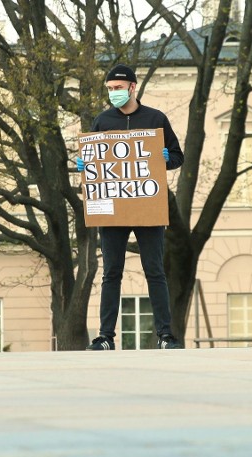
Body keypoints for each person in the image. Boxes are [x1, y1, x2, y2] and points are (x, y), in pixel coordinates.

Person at [77, 63, 185, 350]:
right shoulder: (102, 121)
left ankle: (165, 335)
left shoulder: (155, 118)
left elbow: (177, 157)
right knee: (111, 271)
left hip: (147, 207)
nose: (114, 93)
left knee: (155, 271)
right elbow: (96, 162)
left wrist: (165, 158)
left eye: (118, 88)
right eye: (110, 89)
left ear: (132, 88)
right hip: (113, 207)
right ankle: (105, 337)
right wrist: (85, 165)